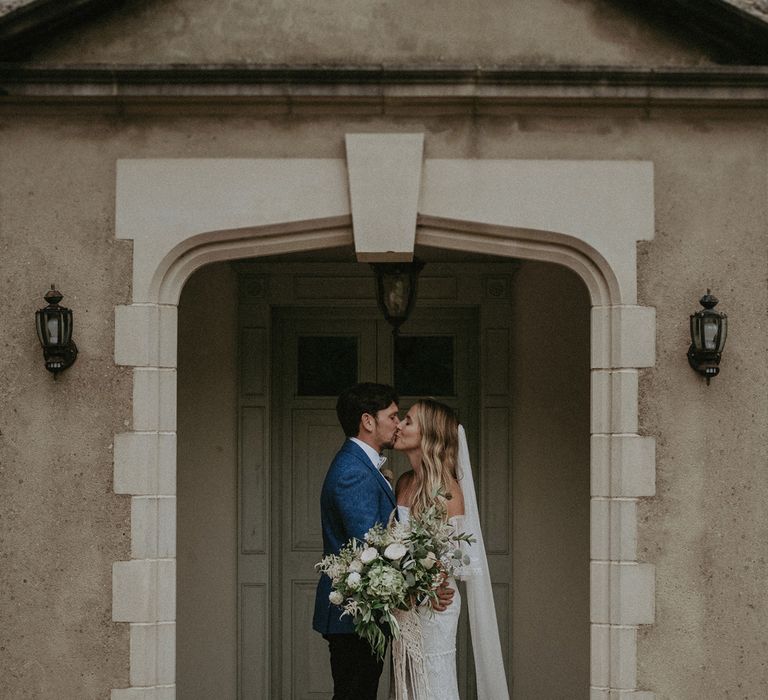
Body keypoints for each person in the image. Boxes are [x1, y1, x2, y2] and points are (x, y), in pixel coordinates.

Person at [312, 384, 455, 700]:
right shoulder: (354, 471)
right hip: (354, 615)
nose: (398, 423)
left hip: (362, 612)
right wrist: (426, 589)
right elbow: (373, 549)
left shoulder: (362, 466)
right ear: (368, 421)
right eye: (392, 416)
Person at [393, 399, 510, 700]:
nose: (399, 426)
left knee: (433, 683)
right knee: (406, 683)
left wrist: (421, 589)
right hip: (404, 606)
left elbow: (453, 560)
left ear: (428, 434)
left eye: (408, 421)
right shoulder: (404, 483)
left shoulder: (447, 492)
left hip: (435, 604)